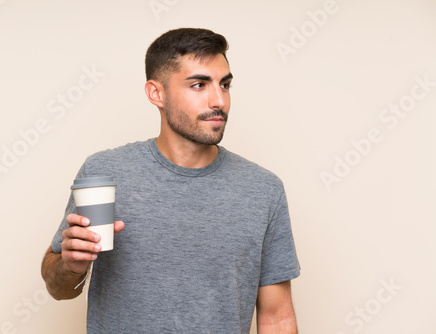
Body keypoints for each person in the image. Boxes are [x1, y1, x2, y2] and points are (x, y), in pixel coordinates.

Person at [41, 28, 300, 334]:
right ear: (157, 93)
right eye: (199, 84)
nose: (219, 100)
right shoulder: (104, 173)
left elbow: (277, 317)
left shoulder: (263, 190)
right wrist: (72, 264)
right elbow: (59, 287)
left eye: (225, 85)